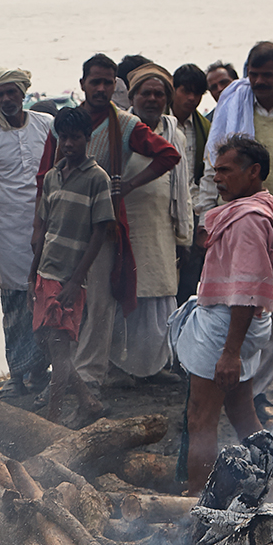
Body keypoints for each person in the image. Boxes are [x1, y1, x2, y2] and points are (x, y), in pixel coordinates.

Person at [198, 42, 273, 415]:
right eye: (253, 73)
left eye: (267, 74)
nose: (258, 81)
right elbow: (213, 165)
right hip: (234, 218)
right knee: (226, 302)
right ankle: (222, 378)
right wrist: (206, 217)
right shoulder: (234, 111)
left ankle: (257, 390)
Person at [169, 135, 273, 492]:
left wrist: (230, 352)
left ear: (253, 172)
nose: (217, 178)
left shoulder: (248, 219)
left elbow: (248, 292)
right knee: (241, 410)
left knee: (201, 416)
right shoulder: (257, 208)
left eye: (225, 170)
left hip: (227, 328)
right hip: (237, 327)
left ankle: (196, 497)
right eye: (214, 171)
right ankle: (261, 483)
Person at [62, 54, 181, 394]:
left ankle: (90, 375)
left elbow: (169, 154)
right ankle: (63, 373)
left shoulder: (125, 124)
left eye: (107, 83)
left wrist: (129, 184)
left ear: (116, 86)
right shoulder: (68, 121)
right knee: (63, 300)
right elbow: (46, 175)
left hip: (103, 225)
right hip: (66, 224)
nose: (101, 88)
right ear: (83, 83)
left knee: (99, 302)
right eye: (94, 82)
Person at [0, 67, 54, 395]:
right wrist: (9, 207)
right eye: (0, 94)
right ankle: (18, 375)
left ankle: (43, 371)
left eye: (12, 92)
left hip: (47, 225)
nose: (7, 99)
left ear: (23, 93)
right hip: (7, 231)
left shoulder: (46, 126)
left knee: (46, 296)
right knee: (15, 302)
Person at [30, 106, 114, 427]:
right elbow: (43, 228)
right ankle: (88, 401)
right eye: (63, 137)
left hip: (70, 277)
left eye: (75, 137)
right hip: (46, 271)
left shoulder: (97, 178)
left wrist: (76, 279)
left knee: (59, 348)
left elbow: (99, 232)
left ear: (87, 139)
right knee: (53, 347)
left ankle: (53, 415)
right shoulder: (52, 177)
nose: (68, 144)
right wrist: (31, 275)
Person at [115, 63, 192, 378]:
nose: (152, 99)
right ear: (132, 97)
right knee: (125, 294)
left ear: (167, 99)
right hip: (127, 224)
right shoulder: (119, 130)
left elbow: (183, 186)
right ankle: (120, 366)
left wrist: (185, 235)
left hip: (162, 226)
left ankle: (154, 366)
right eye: (145, 93)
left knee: (160, 294)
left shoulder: (176, 134)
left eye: (158, 93)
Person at [173, 63, 213, 302]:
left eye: (197, 93)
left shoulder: (204, 128)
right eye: (185, 91)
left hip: (194, 208)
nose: (191, 98)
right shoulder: (158, 123)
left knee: (189, 279)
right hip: (165, 208)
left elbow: (207, 175)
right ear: (174, 89)